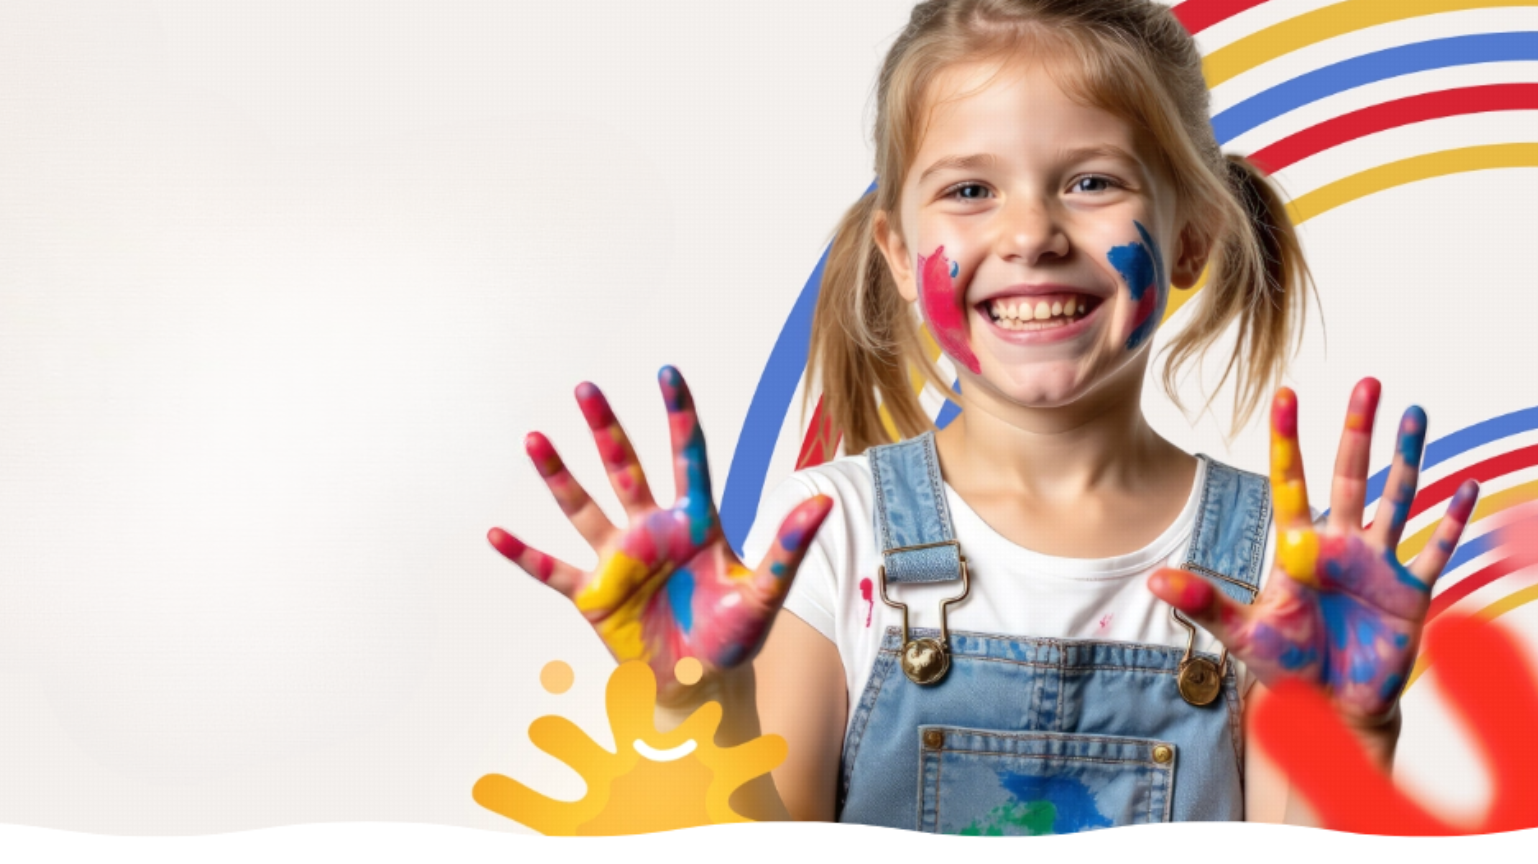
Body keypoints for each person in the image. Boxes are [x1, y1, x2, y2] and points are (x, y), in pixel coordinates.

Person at [486, 0, 1481, 833]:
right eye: (970, 189)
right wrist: (700, 693)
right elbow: (761, 851)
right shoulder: (839, 536)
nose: (1031, 232)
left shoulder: (1281, 564)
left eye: (1092, 182)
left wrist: (1355, 729)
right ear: (894, 251)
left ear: (1190, 238)